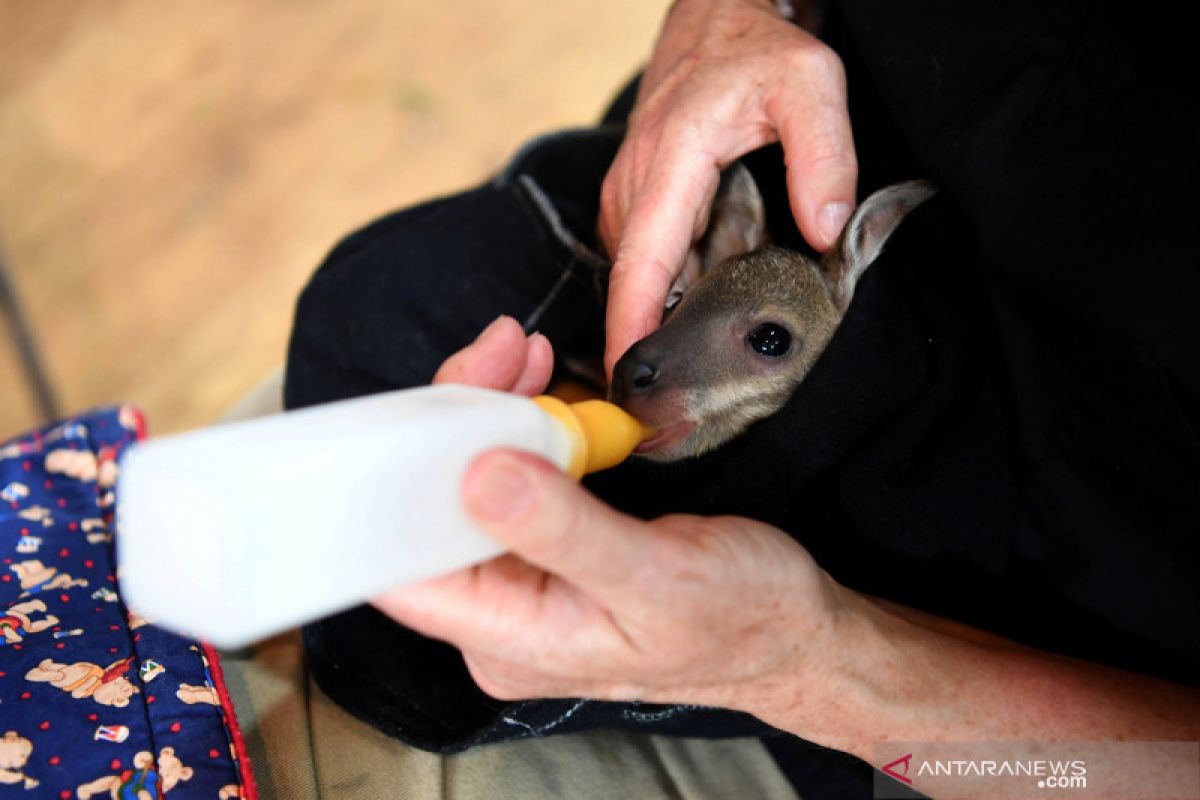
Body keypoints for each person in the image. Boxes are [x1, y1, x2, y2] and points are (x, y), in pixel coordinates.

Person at [283, 0, 1200, 794]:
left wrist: (811, 671)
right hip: (824, 127)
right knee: (397, 302)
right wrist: (733, 17)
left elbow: (1062, 774)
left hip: (981, 691)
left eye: (764, 342)